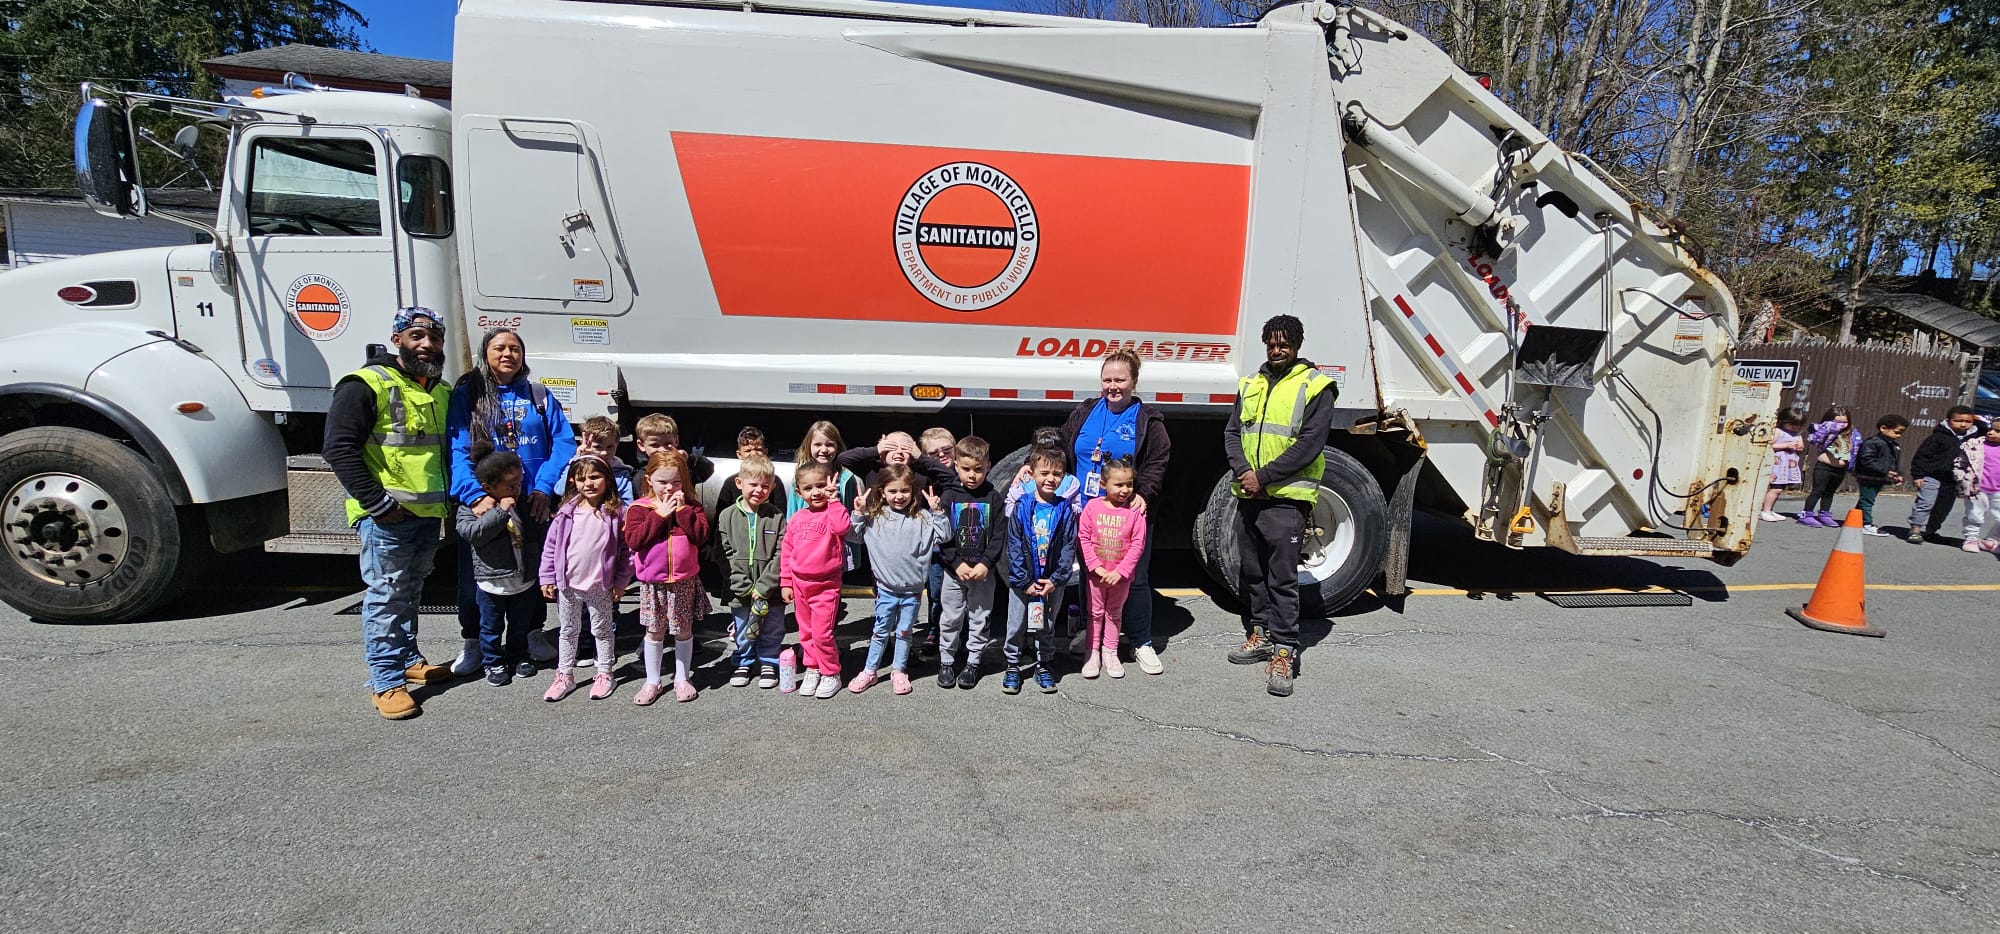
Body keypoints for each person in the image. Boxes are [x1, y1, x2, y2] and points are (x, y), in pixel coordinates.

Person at [324, 307, 453, 720]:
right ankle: (385, 681)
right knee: (386, 594)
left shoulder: (439, 389)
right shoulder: (365, 385)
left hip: (427, 512)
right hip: (387, 516)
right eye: (417, 336)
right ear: (397, 339)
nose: (427, 345)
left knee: (411, 590)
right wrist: (378, 504)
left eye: (434, 338)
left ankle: (409, 659)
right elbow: (339, 449)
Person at [446, 327, 575, 674]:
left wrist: (544, 488)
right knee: (476, 574)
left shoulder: (538, 394)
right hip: (484, 502)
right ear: (485, 354)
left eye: (515, 349)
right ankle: (474, 642)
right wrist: (474, 495)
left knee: (530, 570)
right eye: (500, 348)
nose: (508, 354)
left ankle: (531, 633)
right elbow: (457, 447)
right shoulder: (468, 393)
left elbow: (563, 442)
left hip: (529, 499)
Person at [1223, 314, 1337, 698]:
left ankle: (1285, 651)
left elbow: (1310, 444)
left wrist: (1264, 476)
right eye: (1271, 343)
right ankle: (1260, 635)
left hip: (1286, 498)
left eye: (1284, 343)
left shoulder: (1315, 386)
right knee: (1252, 572)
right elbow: (1232, 433)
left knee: (1282, 579)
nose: (1277, 349)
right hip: (1250, 494)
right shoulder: (1252, 384)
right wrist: (1243, 472)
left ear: (1298, 344)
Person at [1060, 348, 1170, 675]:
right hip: (1088, 513)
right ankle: (1092, 636)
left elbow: (1157, 463)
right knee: (1091, 576)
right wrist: (1029, 466)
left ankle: (1141, 641)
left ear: (1134, 381)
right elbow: (1061, 446)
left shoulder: (1148, 420)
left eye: (1120, 379)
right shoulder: (1086, 410)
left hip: (1126, 514)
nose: (1113, 386)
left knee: (1132, 578)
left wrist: (1145, 494)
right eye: (1107, 379)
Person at [846, 465, 951, 696]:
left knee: (905, 632)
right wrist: (858, 513)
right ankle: (870, 670)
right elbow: (852, 535)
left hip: (912, 591)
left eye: (904, 490)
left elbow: (944, 536)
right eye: (892, 491)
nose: (899, 496)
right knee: (880, 630)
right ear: (882, 491)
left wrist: (938, 512)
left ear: (913, 491)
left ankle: (899, 670)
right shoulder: (874, 517)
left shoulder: (923, 517)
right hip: (885, 590)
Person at [538, 454, 632, 702]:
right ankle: (565, 675)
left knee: (602, 630)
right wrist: (546, 577)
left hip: (600, 585)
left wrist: (621, 582)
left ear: (607, 479)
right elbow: (551, 547)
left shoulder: (616, 512)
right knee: (568, 631)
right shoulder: (566, 513)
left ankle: (604, 673)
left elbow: (626, 552)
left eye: (595, 477)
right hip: (568, 584)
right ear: (573, 481)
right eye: (582, 479)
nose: (589, 483)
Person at [623, 450, 710, 706]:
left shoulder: (692, 506)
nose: (669, 488)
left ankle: (682, 678)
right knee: (654, 631)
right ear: (649, 479)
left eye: (676, 482)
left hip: (683, 582)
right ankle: (653, 680)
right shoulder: (639, 508)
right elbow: (634, 540)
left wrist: (682, 511)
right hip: (654, 584)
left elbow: (701, 536)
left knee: (684, 630)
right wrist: (659, 515)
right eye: (663, 482)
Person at [456, 451, 546, 686]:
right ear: (487, 486)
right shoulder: (471, 509)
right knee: (491, 627)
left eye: (518, 484)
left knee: (520, 624)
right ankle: (493, 661)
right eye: (509, 486)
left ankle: (519, 656)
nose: (516, 490)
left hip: (523, 580)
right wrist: (499, 511)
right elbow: (473, 535)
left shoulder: (521, 504)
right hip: (492, 583)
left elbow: (532, 535)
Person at [1002, 449, 1079, 696]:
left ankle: (1043, 664)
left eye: (1057, 474)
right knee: (1016, 623)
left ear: (1064, 477)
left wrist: (1056, 580)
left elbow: (1069, 545)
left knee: (1046, 623)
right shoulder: (1023, 506)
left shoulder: (1065, 508)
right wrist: (1023, 580)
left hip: (1050, 582)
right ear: (1031, 473)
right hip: (1023, 581)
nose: (1050, 478)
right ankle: (1012, 665)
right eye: (1044, 473)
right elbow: (1013, 544)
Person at [936, 436, 1005, 690]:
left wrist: (986, 564)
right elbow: (941, 536)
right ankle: (946, 661)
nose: (972, 475)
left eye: (978, 469)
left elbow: (999, 535)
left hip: (983, 574)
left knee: (979, 618)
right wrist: (955, 564)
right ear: (956, 465)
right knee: (951, 618)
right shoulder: (949, 496)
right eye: (966, 469)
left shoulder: (993, 497)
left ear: (988, 466)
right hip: (954, 573)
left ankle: (973, 661)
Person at [716, 454, 786, 689]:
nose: (759, 490)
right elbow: (724, 554)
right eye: (753, 484)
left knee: (773, 628)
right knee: (743, 628)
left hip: (771, 590)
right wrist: (743, 585)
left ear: (773, 487)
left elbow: (781, 552)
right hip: (740, 590)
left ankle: (768, 661)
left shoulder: (776, 516)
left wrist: (765, 585)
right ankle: (743, 661)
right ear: (739, 483)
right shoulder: (726, 517)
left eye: (765, 486)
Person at [782, 462, 851, 699]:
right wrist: (786, 582)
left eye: (821, 486)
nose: (816, 492)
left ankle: (831, 673)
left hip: (826, 585)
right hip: (800, 584)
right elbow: (787, 552)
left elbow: (843, 526)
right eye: (809, 488)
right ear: (799, 492)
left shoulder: (833, 513)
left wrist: (835, 500)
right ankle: (813, 668)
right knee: (806, 633)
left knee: (822, 633)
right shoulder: (797, 519)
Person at [1078, 457, 1148, 680]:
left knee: (1114, 613)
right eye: (1118, 485)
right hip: (1096, 575)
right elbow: (1083, 538)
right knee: (1094, 613)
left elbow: (1138, 544)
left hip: (1120, 577)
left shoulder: (1135, 512)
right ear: (1103, 484)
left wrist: (1121, 571)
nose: (1125, 490)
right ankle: (1092, 652)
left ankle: (1110, 652)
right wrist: (1096, 567)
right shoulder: (1092, 507)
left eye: (1129, 484)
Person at [1905, 406, 1982, 543]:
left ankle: (1930, 531)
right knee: (1925, 502)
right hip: (1932, 475)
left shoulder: (1974, 438)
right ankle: (1915, 529)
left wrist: (1978, 420)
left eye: (1968, 421)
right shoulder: (1938, 437)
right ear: (1948, 420)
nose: (1963, 424)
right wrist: (1918, 475)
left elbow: (1986, 431)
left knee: (1943, 507)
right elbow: (1922, 456)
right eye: (1958, 420)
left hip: (1953, 480)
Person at [1799, 405, 1859, 527]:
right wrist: (1829, 428)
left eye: (1845, 422)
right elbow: (1815, 439)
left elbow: (1855, 448)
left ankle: (1824, 514)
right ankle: (1807, 514)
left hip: (1840, 469)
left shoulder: (1851, 434)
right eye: (1838, 422)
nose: (1841, 425)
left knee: (1829, 492)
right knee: (1817, 491)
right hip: (1824, 466)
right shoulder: (1825, 430)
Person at [1853, 414, 1908, 536]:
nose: (1899, 436)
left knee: (1865, 500)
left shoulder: (1892, 444)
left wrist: (1897, 474)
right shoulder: (1873, 443)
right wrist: (1885, 471)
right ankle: (1866, 524)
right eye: (1897, 432)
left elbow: (1893, 462)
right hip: (1868, 477)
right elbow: (1866, 460)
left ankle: (1854, 520)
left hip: (1878, 477)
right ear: (1883, 428)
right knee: (1867, 500)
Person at [714, 426, 785, 514]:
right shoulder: (730, 482)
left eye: (758, 449)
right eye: (748, 450)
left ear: (766, 452)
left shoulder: (774, 481)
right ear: (739, 454)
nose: (754, 453)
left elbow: (781, 513)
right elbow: (720, 517)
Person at [633, 413, 715, 486]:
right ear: (641, 445)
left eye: (668, 444)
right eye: (654, 445)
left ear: (676, 441)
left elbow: (708, 469)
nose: (662, 449)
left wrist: (687, 460)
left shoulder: (682, 466)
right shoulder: (641, 475)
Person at [571, 416, 635, 502]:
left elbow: (627, 504)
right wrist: (579, 459)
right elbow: (560, 490)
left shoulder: (621, 474)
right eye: (598, 447)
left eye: (610, 446)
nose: (604, 452)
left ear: (617, 444)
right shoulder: (577, 467)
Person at [1960, 419, 2000, 555]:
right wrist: (1961, 476)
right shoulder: (1976, 445)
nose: (1991, 432)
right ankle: (1971, 539)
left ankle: (1992, 539)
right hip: (1977, 487)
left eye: (1998, 431)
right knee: (1974, 514)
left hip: (1998, 490)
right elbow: (1960, 463)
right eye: (1991, 429)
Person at [1761, 408, 1805, 522]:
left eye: (1797, 425)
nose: (1794, 427)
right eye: (1792, 425)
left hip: (1788, 466)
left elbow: (1801, 447)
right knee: (1776, 488)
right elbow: (1769, 445)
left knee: (1780, 488)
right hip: (1778, 465)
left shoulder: (1797, 434)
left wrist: (1799, 447)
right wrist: (1785, 445)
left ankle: (1770, 510)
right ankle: (1765, 510)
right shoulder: (1778, 432)